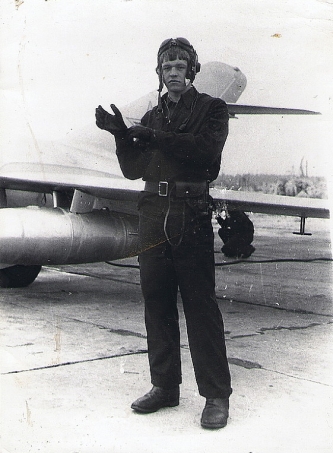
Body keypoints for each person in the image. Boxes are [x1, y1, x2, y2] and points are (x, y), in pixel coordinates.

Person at [95, 37, 232, 429]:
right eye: (167, 67)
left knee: (200, 306)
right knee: (156, 300)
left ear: (191, 70)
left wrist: (153, 137)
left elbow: (204, 152)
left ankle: (216, 396)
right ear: (160, 73)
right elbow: (134, 170)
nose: (173, 73)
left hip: (190, 213)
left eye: (180, 66)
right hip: (153, 213)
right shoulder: (153, 118)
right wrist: (121, 135)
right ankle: (165, 386)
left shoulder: (212, 109)